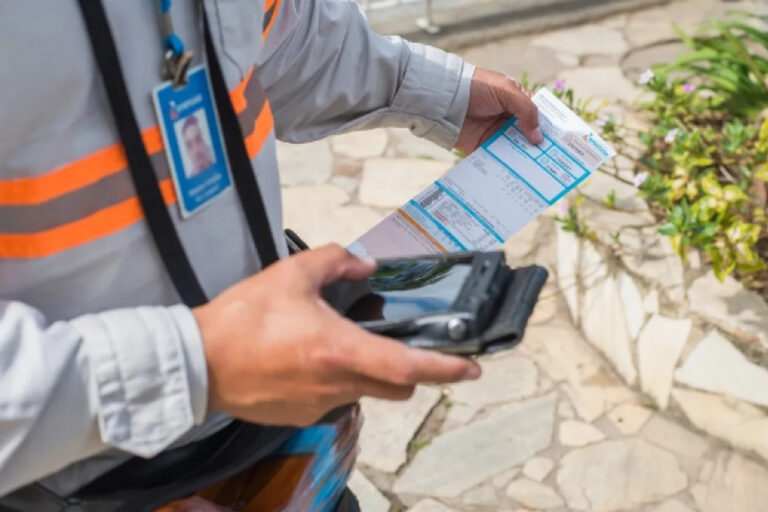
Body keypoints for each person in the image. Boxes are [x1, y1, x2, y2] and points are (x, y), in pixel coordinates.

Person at [0, 0, 542, 509]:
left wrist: (433, 91)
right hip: (77, 480)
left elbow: (278, 32)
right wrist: (198, 364)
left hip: (276, 452)